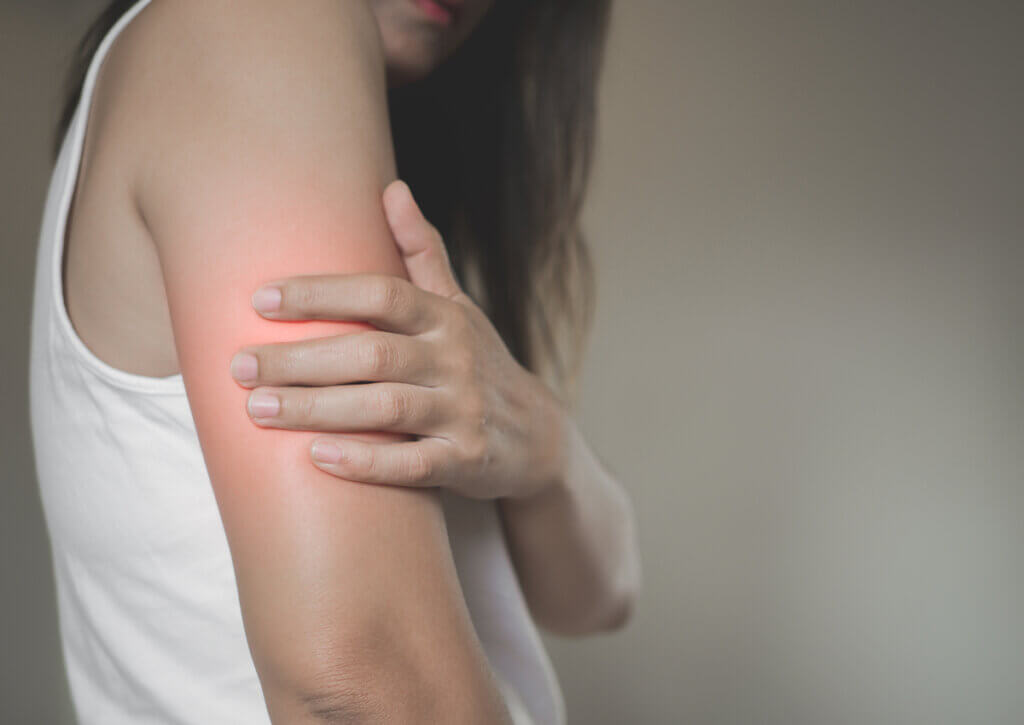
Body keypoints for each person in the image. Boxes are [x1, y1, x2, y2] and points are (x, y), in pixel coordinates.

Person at [29, 0, 641, 722]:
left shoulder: (384, 165)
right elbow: (359, 683)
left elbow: (604, 594)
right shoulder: (256, 23)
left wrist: (546, 444)